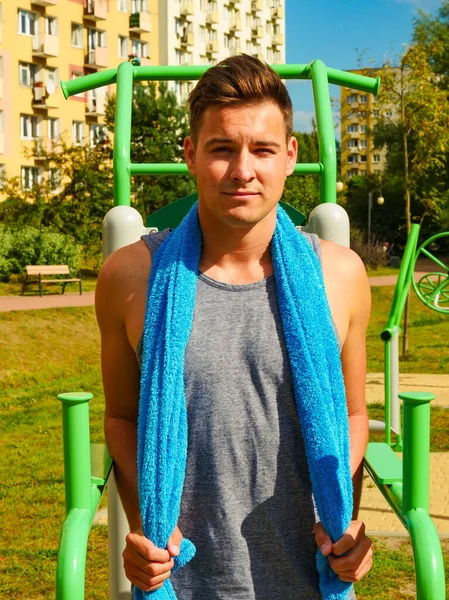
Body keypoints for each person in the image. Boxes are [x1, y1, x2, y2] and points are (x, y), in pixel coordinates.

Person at [95, 54, 373, 599]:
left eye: (263, 149)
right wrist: (145, 527)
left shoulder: (339, 275)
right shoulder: (131, 277)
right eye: (222, 148)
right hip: (187, 580)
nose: (244, 170)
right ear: (191, 156)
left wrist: (348, 525)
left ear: (290, 157)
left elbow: (355, 415)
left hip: (310, 578)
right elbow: (122, 418)